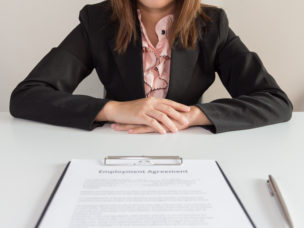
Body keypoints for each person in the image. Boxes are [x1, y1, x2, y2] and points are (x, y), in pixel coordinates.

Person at [9, 0, 293, 134]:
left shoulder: (212, 24)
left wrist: (192, 116)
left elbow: (275, 102)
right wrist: (114, 109)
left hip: (189, 150)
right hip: (115, 146)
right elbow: (27, 96)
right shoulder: (96, 20)